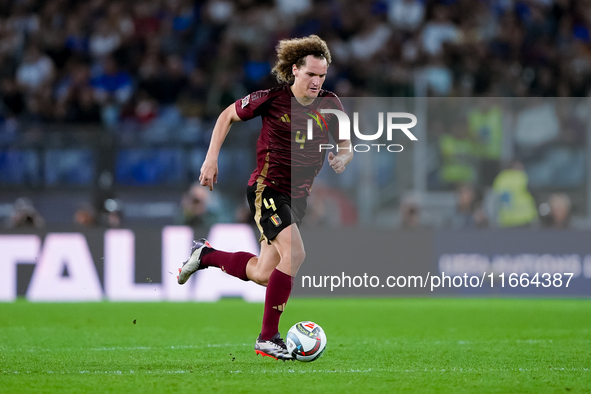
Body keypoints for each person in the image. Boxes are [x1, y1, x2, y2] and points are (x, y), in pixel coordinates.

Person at [177, 35, 353, 360]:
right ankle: (267, 337)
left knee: (262, 274)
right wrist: (211, 158)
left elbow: (346, 143)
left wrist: (343, 157)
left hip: (297, 199)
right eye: (311, 74)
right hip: (267, 189)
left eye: (322, 76)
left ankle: (206, 256)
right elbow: (226, 116)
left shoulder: (330, 104)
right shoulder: (271, 99)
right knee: (296, 253)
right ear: (295, 70)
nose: (317, 81)